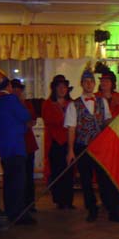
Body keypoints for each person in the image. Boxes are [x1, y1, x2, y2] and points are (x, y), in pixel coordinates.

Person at [65, 67, 119, 223]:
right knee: (86, 181)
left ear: (94, 84)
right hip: (82, 146)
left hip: (100, 147)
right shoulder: (74, 105)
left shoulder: (102, 101)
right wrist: (70, 150)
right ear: (81, 84)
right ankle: (92, 210)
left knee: (106, 179)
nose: (89, 84)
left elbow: (106, 121)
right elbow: (71, 129)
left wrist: (118, 120)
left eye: (91, 82)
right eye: (86, 82)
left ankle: (113, 211)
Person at [0, 71, 36, 225]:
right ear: (9, 86)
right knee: (18, 183)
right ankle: (19, 214)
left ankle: (10, 212)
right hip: (16, 147)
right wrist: (25, 125)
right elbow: (25, 115)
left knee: (8, 182)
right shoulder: (11, 99)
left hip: (4, 147)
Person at [42, 74, 74, 210]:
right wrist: (66, 120)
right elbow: (50, 120)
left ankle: (69, 200)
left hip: (69, 142)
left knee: (69, 171)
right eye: (59, 87)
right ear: (55, 89)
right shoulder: (48, 104)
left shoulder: (71, 103)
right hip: (55, 143)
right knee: (57, 171)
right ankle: (60, 200)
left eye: (64, 87)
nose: (62, 89)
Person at [10, 78, 39, 213]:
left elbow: (32, 120)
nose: (17, 91)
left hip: (28, 144)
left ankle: (30, 204)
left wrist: (25, 123)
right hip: (16, 145)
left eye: (19, 89)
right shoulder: (9, 103)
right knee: (17, 177)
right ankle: (19, 205)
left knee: (28, 176)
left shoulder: (26, 103)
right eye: (14, 89)